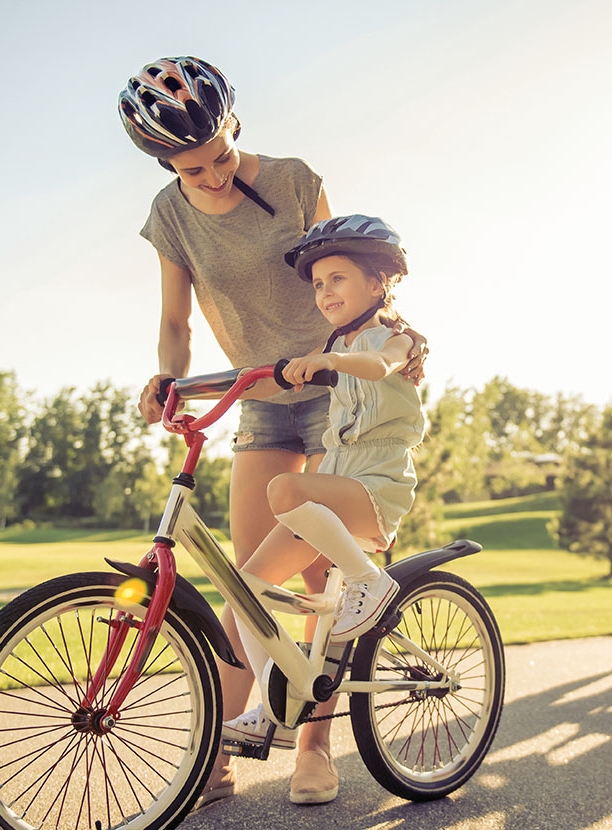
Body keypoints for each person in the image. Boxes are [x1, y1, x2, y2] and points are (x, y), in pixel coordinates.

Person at [120, 56, 428, 807]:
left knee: (320, 573)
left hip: (334, 386)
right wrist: (168, 378)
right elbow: (173, 319)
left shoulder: (292, 178)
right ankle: (216, 759)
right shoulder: (170, 215)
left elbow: (351, 264)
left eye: (221, 155)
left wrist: (396, 334)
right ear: (166, 164)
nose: (215, 176)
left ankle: (313, 751)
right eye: (195, 171)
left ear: (234, 127)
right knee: (245, 580)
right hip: (257, 393)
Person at [219, 215, 426, 773]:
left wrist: (328, 361)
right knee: (243, 593)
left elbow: (377, 365)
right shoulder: (335, 342)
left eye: (337, 278)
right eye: (317, 284)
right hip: (336, 485)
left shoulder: (394, 340)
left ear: (378, 283)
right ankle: (272, 704)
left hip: (375, 487)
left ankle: (367, 580)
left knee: (283, 486)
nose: (325, 292)